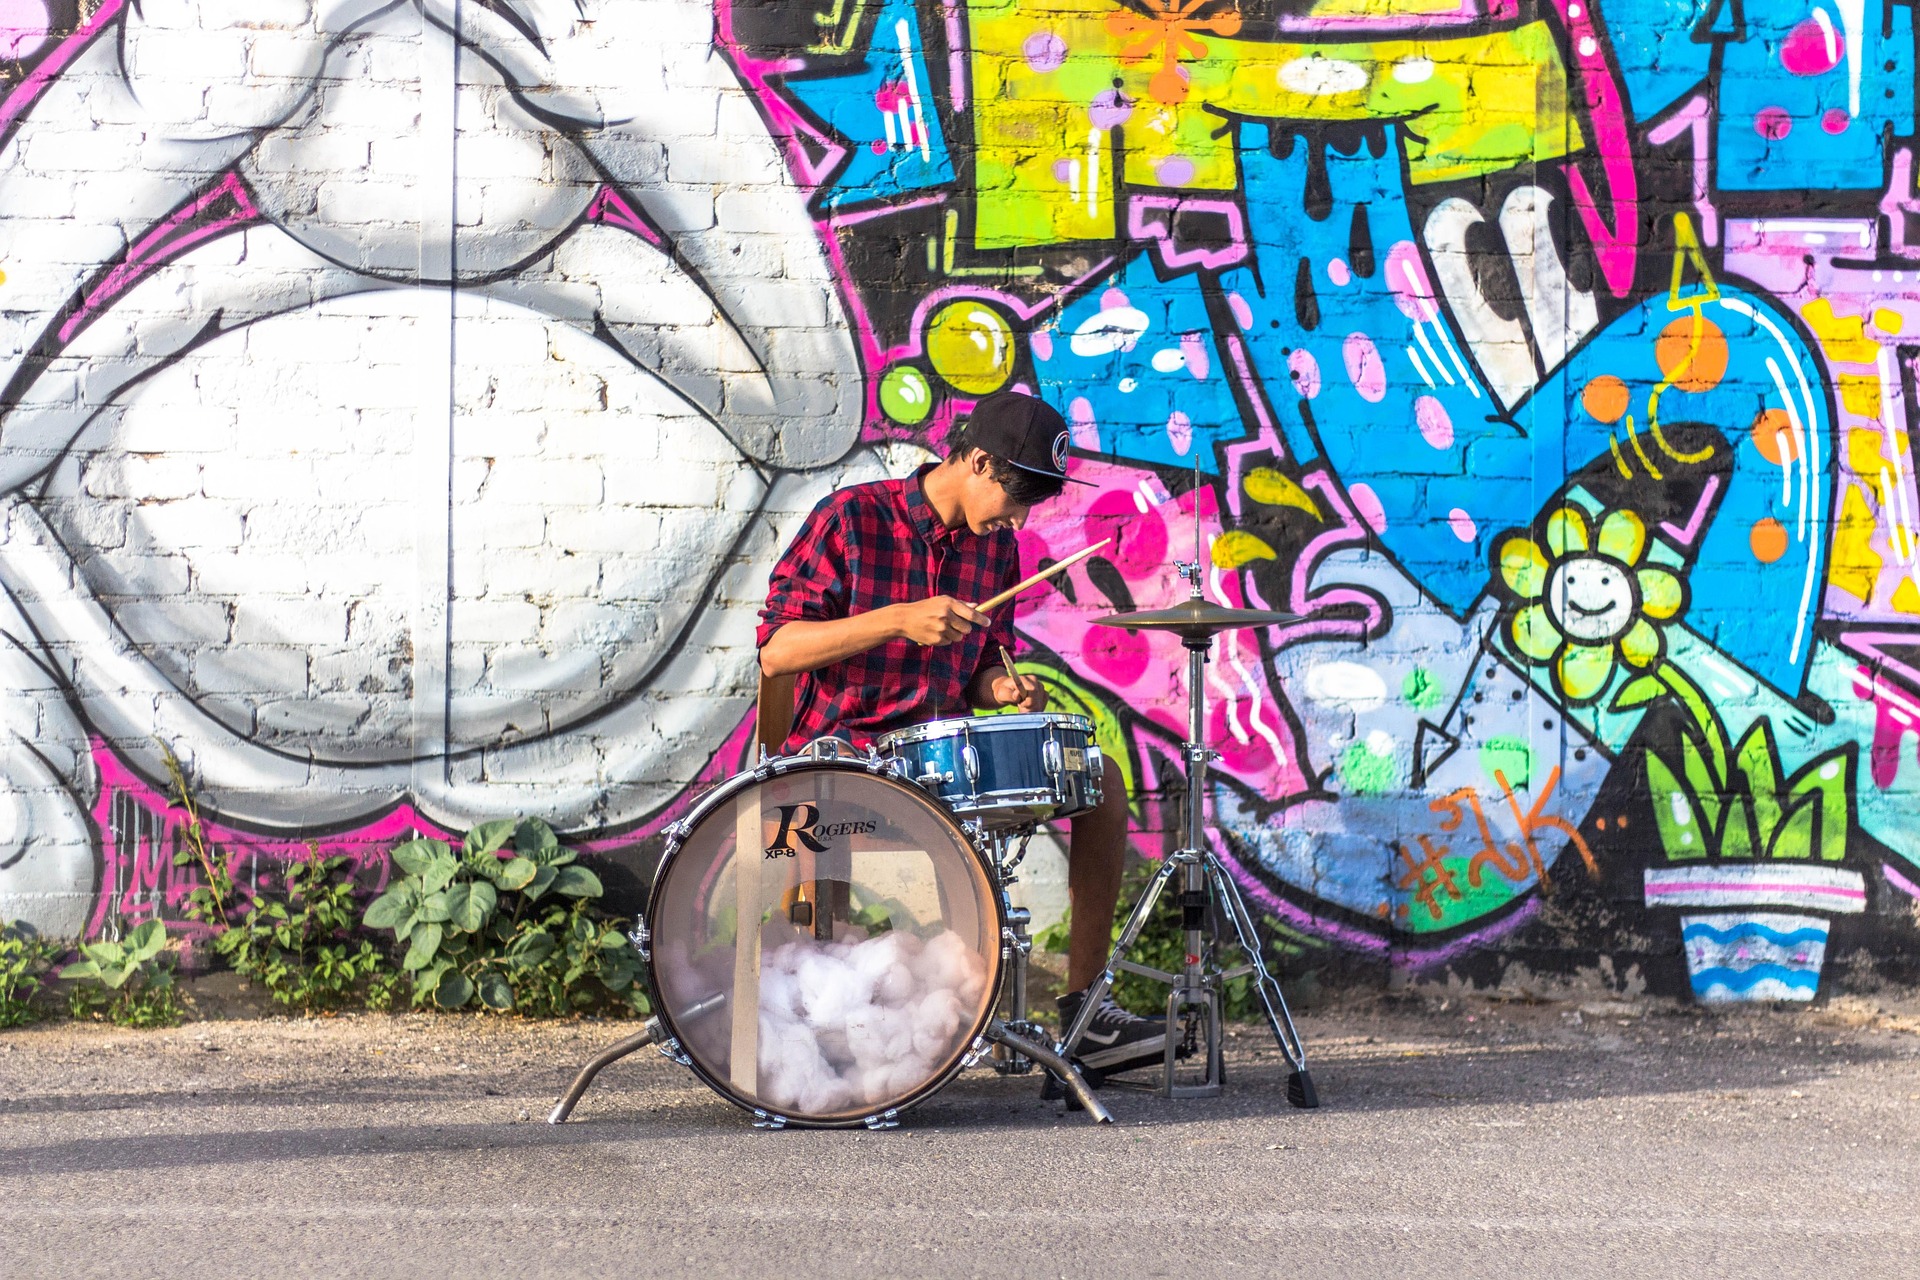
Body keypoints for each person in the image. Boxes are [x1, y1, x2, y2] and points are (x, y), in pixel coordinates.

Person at [756, 389, 1167, 1078]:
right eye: (1016, 499)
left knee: (1101, 780)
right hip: (836, 765)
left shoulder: (993, 550)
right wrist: (897, 619)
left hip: (935, 771)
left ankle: (1087, 1011)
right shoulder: (853, 520)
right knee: (810, 836)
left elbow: (980, 671)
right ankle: (815, 1024)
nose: (1020, 519)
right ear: (978, 462)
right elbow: (777, 650)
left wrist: (1000, 689)